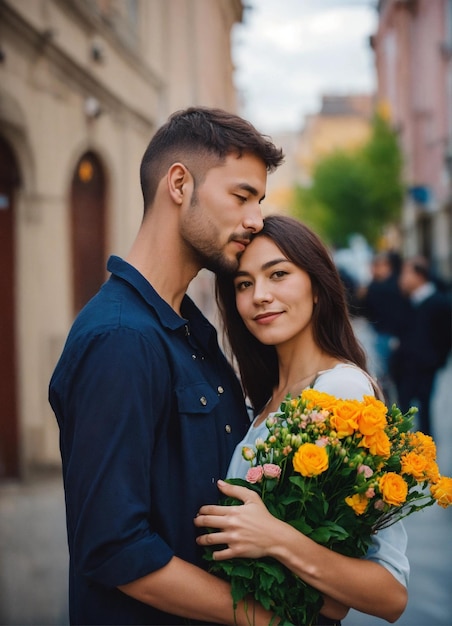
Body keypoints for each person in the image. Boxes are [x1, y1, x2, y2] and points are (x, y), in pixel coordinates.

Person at [48, 106, 284, 626]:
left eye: (259, 201)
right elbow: (114, 547)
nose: (256, 219)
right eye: (241, 196)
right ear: (179, 184)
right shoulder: (121, 339)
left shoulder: (186, 328)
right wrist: (265, 617)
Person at [194, 215, 409, 625]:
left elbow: (389, 593)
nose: (259, 295)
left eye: (278, 274)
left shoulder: (342, 392)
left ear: (317, 287)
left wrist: (275, 538)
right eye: (244, 283)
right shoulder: (263, 400)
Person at [391, 255, 452, 436]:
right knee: (403, 405)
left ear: (419, 275)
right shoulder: (406, 299)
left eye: (406, 273)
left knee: (424, 408)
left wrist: (436, 360)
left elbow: (446, 337)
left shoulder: (439, 302)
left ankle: (425, 446)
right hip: (405, 364)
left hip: (425, 365)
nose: (402, 278)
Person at [356, 250, 406, 404]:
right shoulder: (382, 284)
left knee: (385, 374)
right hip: (383, 333)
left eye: (377, 266)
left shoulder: (385, 285)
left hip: (387, 334)